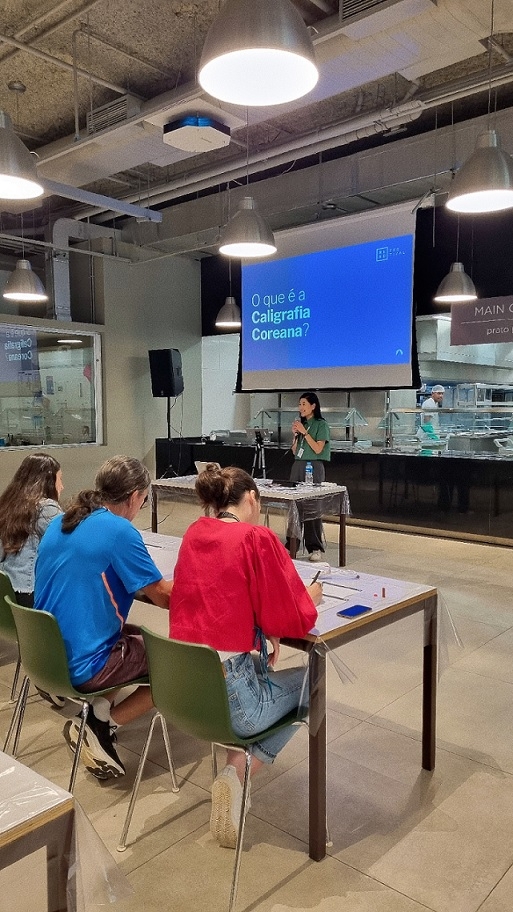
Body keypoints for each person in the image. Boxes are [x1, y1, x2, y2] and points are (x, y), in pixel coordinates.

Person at [169, 464, 321, 849]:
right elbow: (293, 614)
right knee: (312, 683)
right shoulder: (256, 537)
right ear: (252, 497)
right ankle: (239, 774)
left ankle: (234, 774)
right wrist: (312, 597)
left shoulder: (193, 534)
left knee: (253, 672)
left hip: (187, 693)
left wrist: (260, 624)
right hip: (237, 702)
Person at [34, 455, 173, 781]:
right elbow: (164, 597)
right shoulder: (120, 532)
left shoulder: (63, 521)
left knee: (134, 633)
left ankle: (97, 710)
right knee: (173, 660)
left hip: (46, 656)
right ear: (136, 495)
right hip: (83, 665)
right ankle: (99, 725)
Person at [0, 453, 65, 707]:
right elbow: (67, 543)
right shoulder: (46, 507)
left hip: (8, 600)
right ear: (47, 481)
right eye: (60, 479)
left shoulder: (7, 504)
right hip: (30, 597)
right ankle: (59, 677)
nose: (62, 486)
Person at [290, 391, 331, 562]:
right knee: (295, 507)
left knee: (312, 506)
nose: (301, 408)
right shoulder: (302, 425)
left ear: (313, 406)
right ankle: (292, 544)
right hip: (298, 465)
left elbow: (318, 449)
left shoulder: (320, 425)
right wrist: (295, 436)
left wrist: (305, 434)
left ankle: (315, 546)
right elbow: (294, 451)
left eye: (304, 404)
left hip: (313, 466)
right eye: (299, 404)